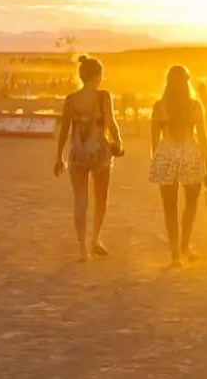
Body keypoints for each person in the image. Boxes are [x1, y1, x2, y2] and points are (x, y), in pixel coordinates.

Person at [54, 55, 124, 261]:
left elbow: (64, 129)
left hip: (78, 152)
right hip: (99, 151)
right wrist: (118, 142)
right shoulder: (103, 96)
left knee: (80, 200)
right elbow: (110, 122)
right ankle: (95, 238)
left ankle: (82, 249)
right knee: (101, 198)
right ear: (98, 75)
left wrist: (59, 156)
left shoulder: (70, 100)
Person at [150, 66, 207, 267]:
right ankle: (185, 244)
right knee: (191, 202)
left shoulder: (159, 107)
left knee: (169, 207)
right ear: (187, 83)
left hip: (167, 154)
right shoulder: (195, 106)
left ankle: (175, 254)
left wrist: (158, 161)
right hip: (189, 154)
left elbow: (155, 141)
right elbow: (203, 138)